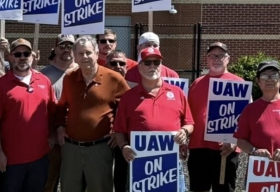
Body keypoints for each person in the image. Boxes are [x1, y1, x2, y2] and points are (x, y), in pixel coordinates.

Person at [56, 36, 129, 192]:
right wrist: (60, 126)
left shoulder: (114, 78)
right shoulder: (69, 78)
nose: (85, 57)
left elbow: (128, 109)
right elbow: (61, 107)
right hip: (71, 148)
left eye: (88, 52)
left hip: (100, 148)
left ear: (97, 54)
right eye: (80, 53)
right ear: (75, 57)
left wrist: (117, 131)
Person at [114, 47, 193, 191]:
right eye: (147, 62)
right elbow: (119, 130)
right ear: (139, 68)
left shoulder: (177, 93)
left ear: (161, 66)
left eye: (156, 62)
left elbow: (189, 123)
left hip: (171, 162)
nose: (152, 66)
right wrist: (123, 146)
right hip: (140, 165)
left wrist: (184, 131)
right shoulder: (128, 97)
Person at [0, 39, 55, 192]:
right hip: (11, 159)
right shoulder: (1, 85)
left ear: (32, 56)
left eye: (26, 53)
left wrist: (52, 134)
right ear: (10, 57)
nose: (22, 57)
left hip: (39, 157)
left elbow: (52, 111)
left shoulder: (44, 81)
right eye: (17, 54)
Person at [187, 42, 242, 192]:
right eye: (212, 56)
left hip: (225, 149)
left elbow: (245, 119)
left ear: (228, 59)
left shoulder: (238, 83)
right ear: (207, 59)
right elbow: (188, 115)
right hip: (198, 148)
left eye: (221, 56)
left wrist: (235, 141)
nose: (216, 59)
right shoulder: (197, 83)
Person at [38, 34, 77, 192]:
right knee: (50, 180)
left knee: (73, 182)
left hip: (76, 136)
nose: (66, 49)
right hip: (52, 137)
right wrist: (50, 133)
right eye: (62, 46)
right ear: (55, 49)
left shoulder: (83, 71)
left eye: (70, 46)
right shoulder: (44, 74)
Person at [104, 49, 131, 192]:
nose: (118, 66)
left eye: (122, 63)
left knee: (122, 180)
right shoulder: (97, 86)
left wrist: (118, 133)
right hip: (102, 139)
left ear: (127, 67)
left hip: (124, 141)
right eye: (113, 63)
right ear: (106, 65)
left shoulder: (134, 89)